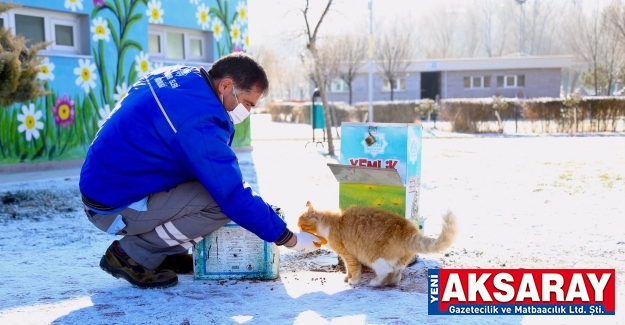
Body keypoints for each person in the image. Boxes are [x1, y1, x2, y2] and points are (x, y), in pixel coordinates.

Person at [79, 52, 322, 289]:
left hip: (106, 186)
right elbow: (231, 194)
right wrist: (290, 239)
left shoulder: (180, 76)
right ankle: (132, 254)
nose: (247, 112)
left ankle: (164, 252)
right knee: (219, 204)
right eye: (247, 103)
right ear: (226, 86)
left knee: (210, 187)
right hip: (113, 207)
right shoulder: (198, 121)